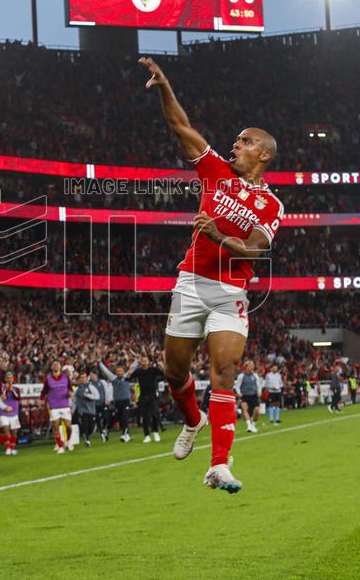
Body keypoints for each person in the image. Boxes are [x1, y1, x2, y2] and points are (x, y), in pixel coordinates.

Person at [141, 56, 284, 494]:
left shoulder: (272, 205)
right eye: (236, 140)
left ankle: (219, 464)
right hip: (191, 283)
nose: (234, 145)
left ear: (263, 154)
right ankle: (193, 419)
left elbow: (256, 249)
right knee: (174, 373)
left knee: (225, 370)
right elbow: (181, 127)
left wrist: (218, 234)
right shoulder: (215, 172)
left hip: (230, 291)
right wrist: (165, 87)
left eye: (244, 141)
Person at [41, 361, 74, 453]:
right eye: (54, 364)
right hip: (53, 406)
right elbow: (44, 391)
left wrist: (70, 393)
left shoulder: (66, 378)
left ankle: (68, 441)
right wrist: (41, 399)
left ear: (60, 367)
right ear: (51, 367)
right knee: (56, 427)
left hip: (65, 405)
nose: (55, 366)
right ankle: (60, 447)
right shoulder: (48, 379)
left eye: (57, 364)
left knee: (68, 427)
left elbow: (70, 389)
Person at [129, 356, 164, 443]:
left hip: (152, 396)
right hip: (143, 396)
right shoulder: (138, 371)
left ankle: (155, 432)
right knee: (145, 417)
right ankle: (147, 435)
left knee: (155, 414)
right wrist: (131, 369)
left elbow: (164, 376)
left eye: (145, 360)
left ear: (148, 362)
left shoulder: (153, 370)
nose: (144, 362)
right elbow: (129, 378)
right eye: (142, 361)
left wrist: (162, 367)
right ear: (141, 362)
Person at [99, 361, 133, 442]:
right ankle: (106, 430)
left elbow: (133, 368)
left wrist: (137, 360)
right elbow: (106, 371)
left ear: (123, 371)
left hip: (126, 401)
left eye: (120, 371)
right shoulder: (113, 378)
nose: (118, 372)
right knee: (115, 418)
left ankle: (124, 435)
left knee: (125, 417)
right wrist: (100, 363)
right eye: (117, 371)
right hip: (117, 402)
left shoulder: (126, 377)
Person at [234, 361, 262, 433]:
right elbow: (237, 386)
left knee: (258, 411)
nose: (253, 367)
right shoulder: (241, 376)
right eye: (251, 365)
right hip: (245, 396)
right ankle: (249, 426)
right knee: (244, 409)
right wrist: (239, 393)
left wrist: (259, 392)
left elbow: (258, 385)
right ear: (246, 367)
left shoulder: (255, 375)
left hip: (254, 396)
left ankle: (253, 425)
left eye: (253, 365)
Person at [73, 372, 100, 447]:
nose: (83, 379)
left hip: (91, 410)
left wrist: (87, 395)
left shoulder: (91, 387)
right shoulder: (77, 389)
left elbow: (97, 397)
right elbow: (74, 399)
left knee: (91, 427)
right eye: (81, 378)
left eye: (84, 377)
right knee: (85, 425)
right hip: (82, 410)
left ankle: (84, 435)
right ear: (79, 379)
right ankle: (87, 441)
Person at [0, 372, 21, 455]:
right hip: (4, 412)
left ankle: (12, 448)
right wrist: (5, 390)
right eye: (8, 378)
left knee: (14, 432)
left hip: (14, 413)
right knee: (6, 430)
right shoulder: (1, 389)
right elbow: (1, 398)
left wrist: (12, 391)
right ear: (5, 379)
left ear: (13, 379)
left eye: (11, 378)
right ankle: (8, 448)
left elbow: (18, 398)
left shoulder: (16, 389)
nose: (9, 379)